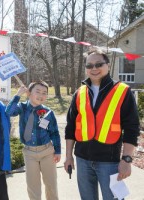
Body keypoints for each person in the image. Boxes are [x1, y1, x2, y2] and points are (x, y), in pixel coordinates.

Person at [64, 48, 140, 200]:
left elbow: (132, 129)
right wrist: (68, 157)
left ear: (108, 65)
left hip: (109, 162)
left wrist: (126, 160)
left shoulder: (123, 91)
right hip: (82, 160)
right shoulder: (80, 92)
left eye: (99, 64)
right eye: (89, 65)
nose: (94, 69)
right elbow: (71, 127)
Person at [6, 81, 61, 200]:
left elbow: (54, 132)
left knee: (51, 184)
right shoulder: (22, 107)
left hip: (47, 151)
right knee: (33, 186)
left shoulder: (48, 112)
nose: (41, 95)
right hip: (29, 153)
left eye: (44, 93)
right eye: (38, 91)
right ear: (29, 93)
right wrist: (18, 95)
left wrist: (57, 151)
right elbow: (8, 112)